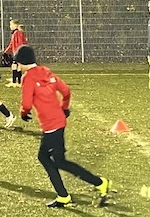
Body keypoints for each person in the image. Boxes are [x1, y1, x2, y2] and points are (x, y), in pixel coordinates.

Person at [16, 45, 111, 208]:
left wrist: (23, 112)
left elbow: (26, 103)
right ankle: (69, 193)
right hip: (59, 121)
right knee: (56, 160)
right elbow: (66, 91)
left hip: (50, 125)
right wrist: (64, 108)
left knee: (49, 159)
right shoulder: (47, 72)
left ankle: (92, 185)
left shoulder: (28, 78)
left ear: (22, 62)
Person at [3, 19, 27, 85]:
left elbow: (20, 43)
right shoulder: (14, 33)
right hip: (16, 52)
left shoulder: (17, 33)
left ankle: (16, 81)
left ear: (15, 25)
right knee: (16, 66)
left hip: (18, 52)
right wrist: (6, 52)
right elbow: (11, 44)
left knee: (15, 66)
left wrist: (19, 52)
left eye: (11, 25)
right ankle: (17, 81)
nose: (10, 26)